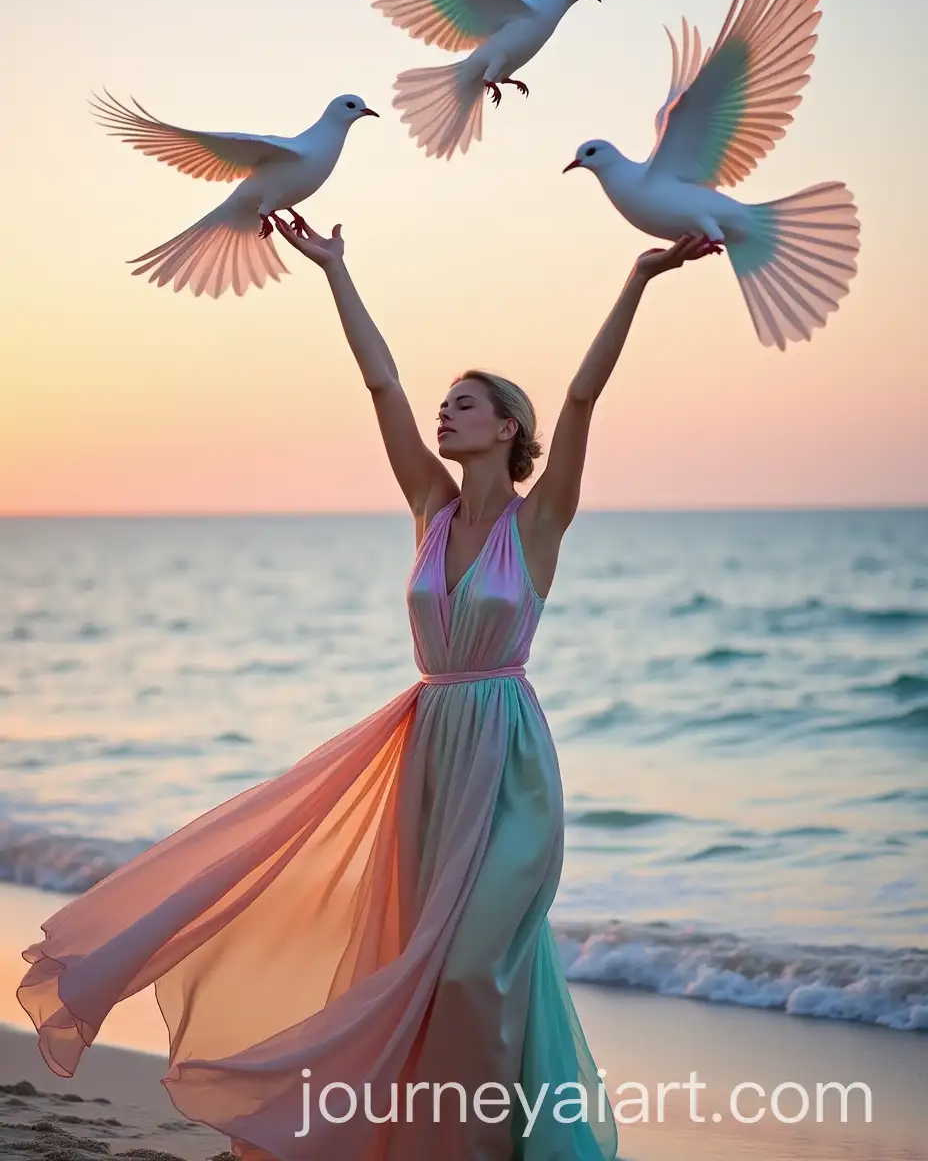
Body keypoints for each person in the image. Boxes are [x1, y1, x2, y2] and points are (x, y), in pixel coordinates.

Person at [17, 220, 720, 1161]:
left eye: (465, 405)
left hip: (506, 760)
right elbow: (380, 383)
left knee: (477, 967)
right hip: (427, 749)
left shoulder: (542, 520)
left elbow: (586, 396)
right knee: (415, 964)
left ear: (508, 428)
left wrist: (640, 276)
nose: (445, 414)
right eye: (446, 404)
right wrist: (336, 272)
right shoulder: (429, 510)